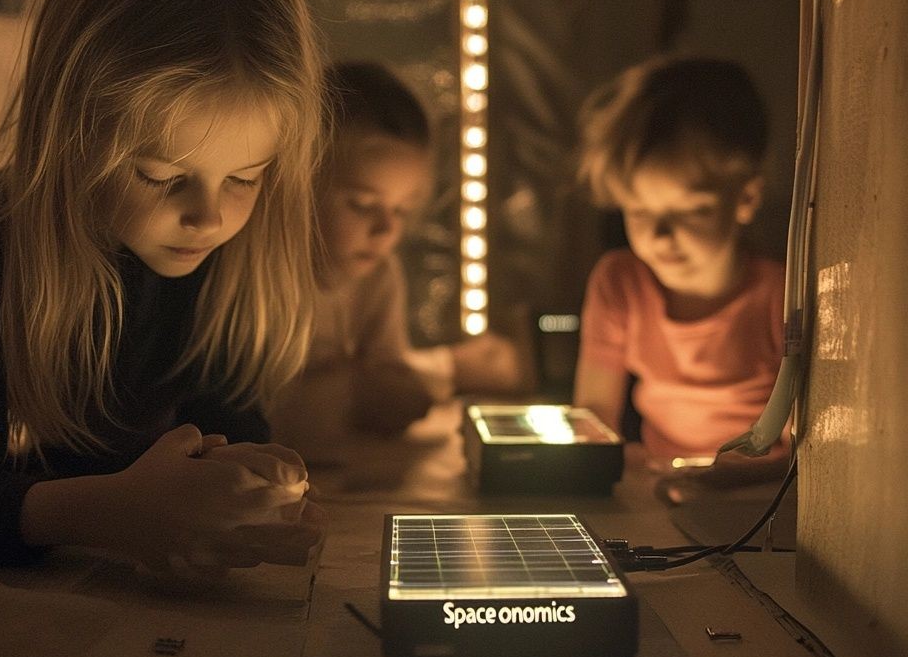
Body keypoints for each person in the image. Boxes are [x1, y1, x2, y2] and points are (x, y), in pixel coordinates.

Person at [0, 0, 326, 577]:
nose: (208, 218)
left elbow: (224, 420)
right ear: (71, 133)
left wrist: (247, 475)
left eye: (245, 177)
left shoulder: (223, 257)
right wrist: (106, 514)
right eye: (159, 176)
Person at [268, 61, 526, 460]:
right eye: (362, 204)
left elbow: (391, 387)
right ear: (298, 183)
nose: (386, 228)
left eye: (402, 210)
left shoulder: (379, 275)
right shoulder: (266, 274)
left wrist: (392, 389)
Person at [572, 55, 786, 474]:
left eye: (690, 212)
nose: (659, 237)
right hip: (659, 492)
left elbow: (805, 449)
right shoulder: (620, 284)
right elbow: (593, 421)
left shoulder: (782, 297)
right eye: (638, 212)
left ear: (745, 198)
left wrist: (721, 478)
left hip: (760, 502)